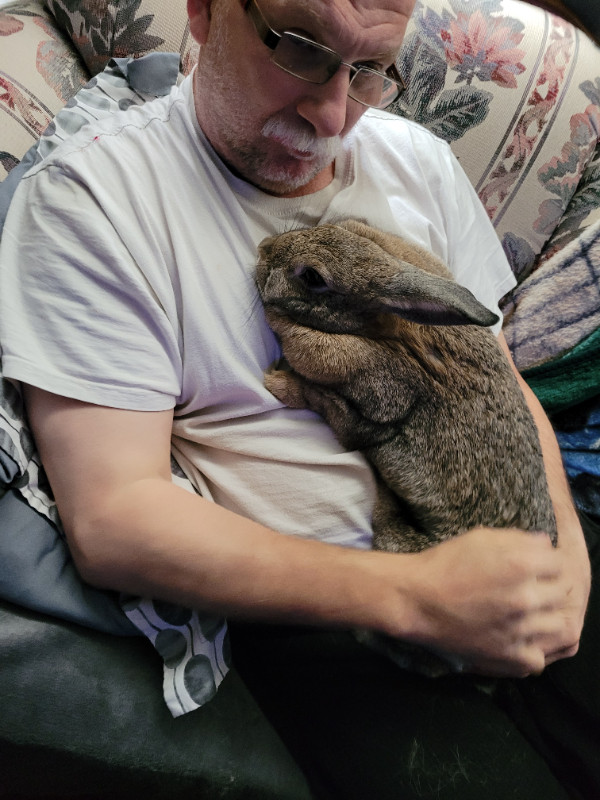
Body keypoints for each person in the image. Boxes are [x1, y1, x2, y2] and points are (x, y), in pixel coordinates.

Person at [0, 0, 597, 797]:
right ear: (207, 13)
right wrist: (415, 597)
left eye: (369, 71)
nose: (329, 110)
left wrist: (565, 557)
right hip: (332, 618)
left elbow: (498, 377)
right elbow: (114, 517)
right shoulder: (92, 199)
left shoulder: (417, 159)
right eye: (302, 49)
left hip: (501, 533)